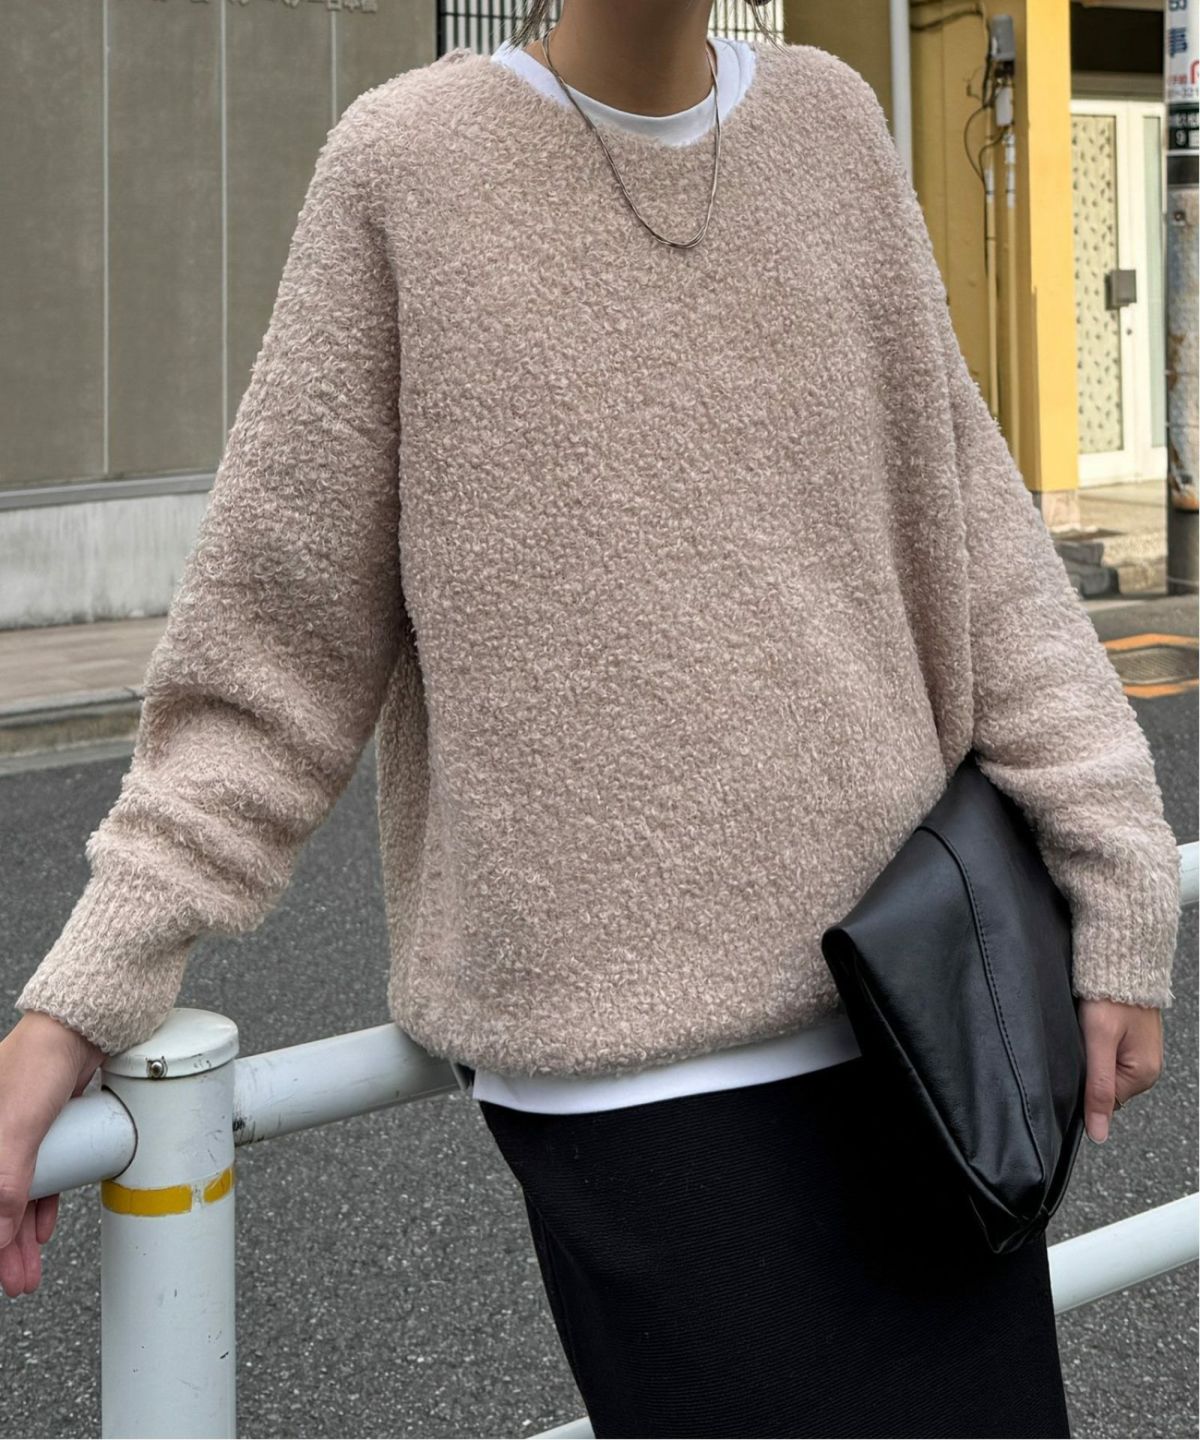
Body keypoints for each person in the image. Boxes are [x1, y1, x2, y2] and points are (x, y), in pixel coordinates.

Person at [0, 3, 1180, 1435]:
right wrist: (85, 991)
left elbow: (985, 555)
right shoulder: (408, 167)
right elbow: (272, 654)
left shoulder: (832, 126)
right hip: (631, 1087)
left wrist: (1118, 864)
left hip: (929, 1030)